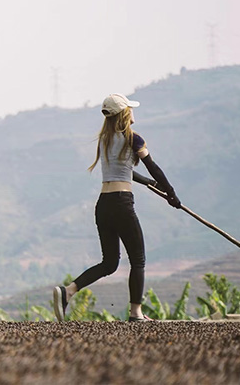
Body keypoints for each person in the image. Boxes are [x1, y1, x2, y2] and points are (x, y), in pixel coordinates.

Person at [53, 94, 181, 322]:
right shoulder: (134, 139)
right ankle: (136, 313)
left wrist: (151, 185)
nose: (133, 112)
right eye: (130, 109)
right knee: (138, 260)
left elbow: (125, 170)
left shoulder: (105, 139)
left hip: (103, 205)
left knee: (110, 263)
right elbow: (154, 167)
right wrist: (171, 193)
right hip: (122, 203)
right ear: (124, 113)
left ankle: (68, 291)